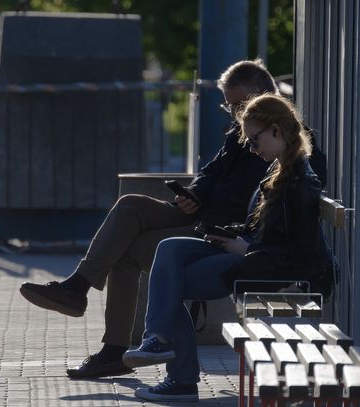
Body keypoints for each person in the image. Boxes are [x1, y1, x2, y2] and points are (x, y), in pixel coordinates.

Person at [19, 59, 327, 379]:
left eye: (238, 105)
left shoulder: (289, 146)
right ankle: (77, 287)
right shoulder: (243, 133)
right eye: (229, 107)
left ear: (263, 101)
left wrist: (240, 240)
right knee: (130, 205)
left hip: (221, 229)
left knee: (127, 255)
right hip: (202, 215)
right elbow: (211, 173)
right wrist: (193, 194)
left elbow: (285, 209)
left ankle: (114, 350)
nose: (235, 115)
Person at [122, 93, 323, 402]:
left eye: (255, 141)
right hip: (250, 251)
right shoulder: (279, 169)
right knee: (171, 247)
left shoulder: (300, 181)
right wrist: (230, 234)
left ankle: (180, 376)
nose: (253, 150)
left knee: (169, 286)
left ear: (275, 129)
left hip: (259, 264)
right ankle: (158, 341)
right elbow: (264, 231)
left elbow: (299, 255)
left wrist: (244, 249)